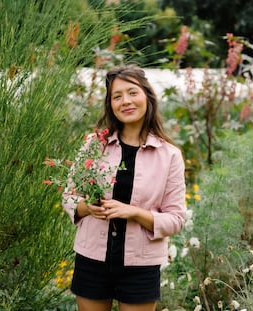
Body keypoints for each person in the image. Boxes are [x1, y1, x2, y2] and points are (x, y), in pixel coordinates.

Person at [62, 65, 186, 311]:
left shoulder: (169, 155)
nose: (125, 101)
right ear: (111, 105)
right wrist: (86, 208)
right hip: (92, 260)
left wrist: (134, 212)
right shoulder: (93, 145)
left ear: (147, 97)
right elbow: (69, 195)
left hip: (141, 266)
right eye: (117, 96)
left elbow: (176, 219)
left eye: (132, 93)